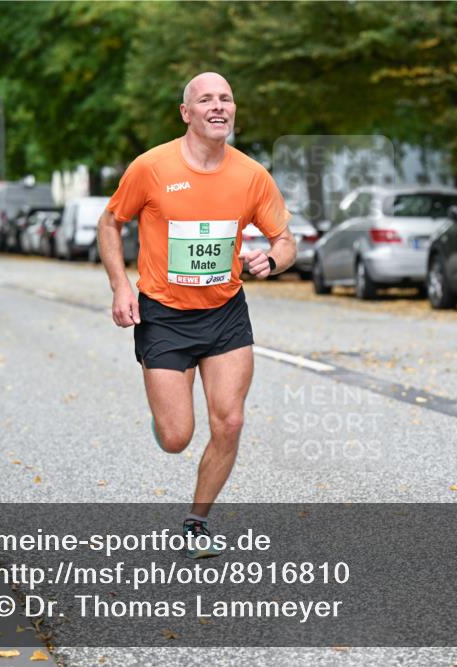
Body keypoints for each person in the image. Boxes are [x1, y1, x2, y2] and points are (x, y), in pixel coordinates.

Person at [98, 72, 296, 558]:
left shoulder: (251, 175)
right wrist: (121, 285)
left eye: (226, 98)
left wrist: (271, 260)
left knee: (228, 422)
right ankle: (166, 420)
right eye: (205, 99)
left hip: (226, 312)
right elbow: (110, 222)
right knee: (176, 437)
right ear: (186, 113)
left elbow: (285, 240)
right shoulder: (151, 167)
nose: (217, 106)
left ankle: (195, 522)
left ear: (233, 111)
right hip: (163, 314)